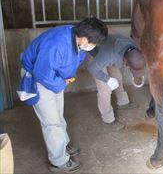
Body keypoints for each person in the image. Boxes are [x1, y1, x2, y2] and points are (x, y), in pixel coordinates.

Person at [18, 17, 108, 173]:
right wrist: (62, 83)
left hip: (56, 77)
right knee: (51, 123)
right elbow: (42, 74)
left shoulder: (76, 36)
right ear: (85, 39)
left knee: (58, 114)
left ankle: (63, 145)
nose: (94, 47)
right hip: (39, 78)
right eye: (94, 43)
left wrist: (63, 80)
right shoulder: (56, 44)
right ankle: (58, 161)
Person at [88, 34, 145, 131]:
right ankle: (108, 120)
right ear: (126, 61)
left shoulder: (133, 47)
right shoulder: (108, 55)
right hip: (97, 57)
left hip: (112, 51)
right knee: (105, 90)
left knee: (117, 77)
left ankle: (123, 102)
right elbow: (92, 68)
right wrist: (107, 79)